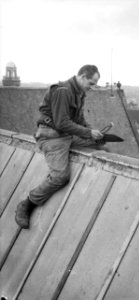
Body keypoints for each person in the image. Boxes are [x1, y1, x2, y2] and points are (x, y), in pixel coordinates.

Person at [15, 64, 106, 229]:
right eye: (91, 83)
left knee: (100, 146)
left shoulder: (79, 93)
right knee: (60, 177)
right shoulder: (63, 91)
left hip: (66, 136)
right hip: (51, 137)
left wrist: (94, 133)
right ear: (82, 76)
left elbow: (78, 121)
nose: (92, 88)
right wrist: (87, 133)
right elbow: (62, 122)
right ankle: (27, 204)